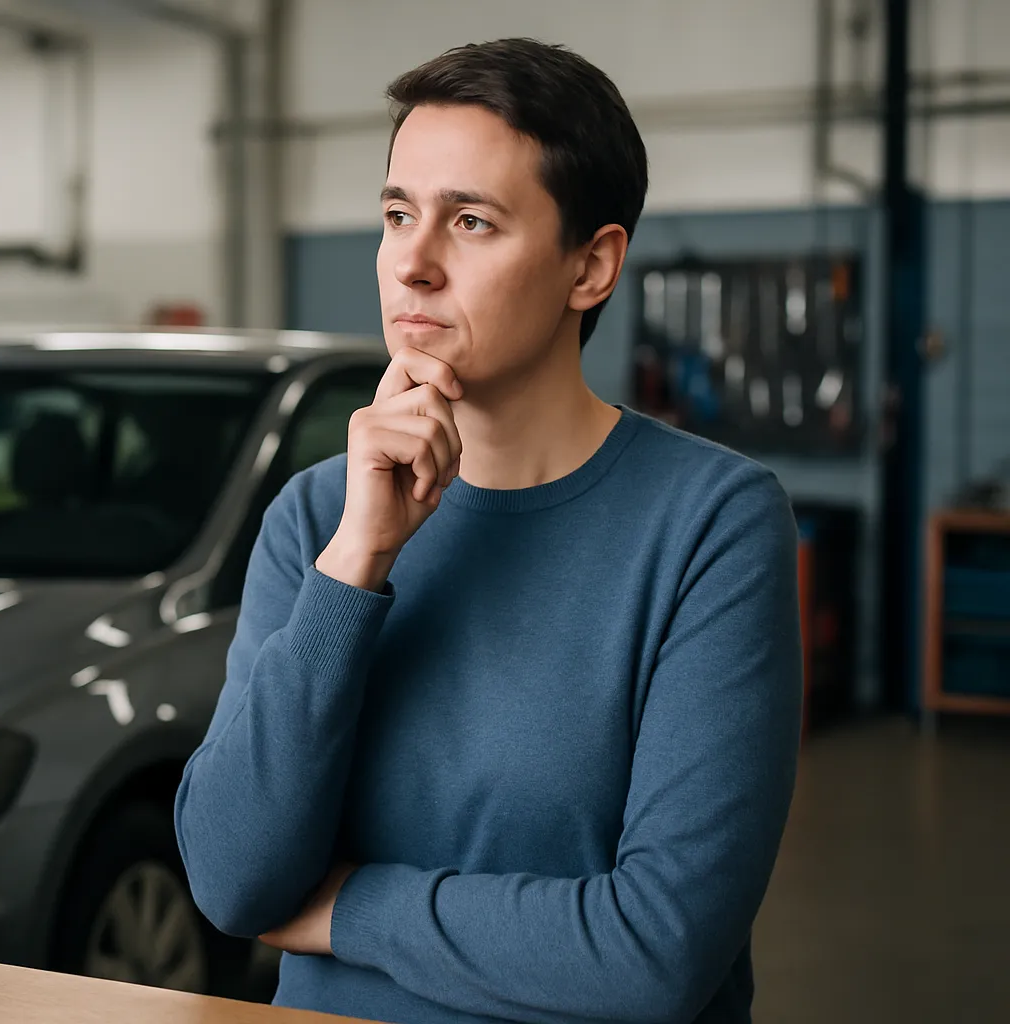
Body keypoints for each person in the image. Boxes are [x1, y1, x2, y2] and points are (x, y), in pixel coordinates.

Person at [174, 38, 801, 1024]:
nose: (412, 264)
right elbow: (231, 881)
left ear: (590, 266)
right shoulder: (314, 517)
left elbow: (657, 950)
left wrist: (344, 905)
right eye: (396, 215)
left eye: (471, 221)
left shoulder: (710, 525)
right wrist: (358, 563)